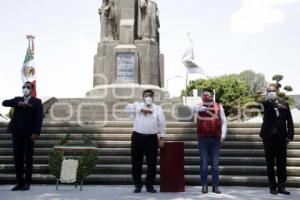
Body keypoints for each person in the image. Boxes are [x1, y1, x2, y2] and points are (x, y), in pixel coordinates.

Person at [2, 82, 43, 191]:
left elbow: (39, 119)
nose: (25, 89)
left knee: (28, 159)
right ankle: (19, 183)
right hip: (16, 133)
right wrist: (19, 104)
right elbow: (4, 102)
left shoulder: (37, 102)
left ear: (32, 89)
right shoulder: (17, 99)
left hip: (29, 135)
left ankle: (27, 183)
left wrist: (36, 133)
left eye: (27, 87)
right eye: (23, 87)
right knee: (17, 159)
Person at [125, 89, 166, 193]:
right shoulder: (137, 105)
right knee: (136, 162)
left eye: (149, 95)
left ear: (153, 97)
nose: (147, 97)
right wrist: (141, 109)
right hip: (137, 136)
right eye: (145, 95)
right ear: (142, 97)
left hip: (151, 138)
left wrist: (162, 137)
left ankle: (150, 185)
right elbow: (127, 108)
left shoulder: (158, 108)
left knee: (152, 163)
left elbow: (162, 123)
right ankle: (138, 185)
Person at [258, 84, 294, 195]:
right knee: (270, 164)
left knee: (282, 164)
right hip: (268, 138)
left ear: (277, 91)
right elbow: (265, 108)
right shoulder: (263, 104)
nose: (271, 92)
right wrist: (275, 104)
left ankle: (281, 186)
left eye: (273, 90)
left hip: (281, 138)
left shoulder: (285, 104)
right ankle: (272, 186)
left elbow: (290, 121)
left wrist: (290, 135)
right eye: (269, 91)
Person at [189, 88, 227, 194]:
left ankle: (215, 186)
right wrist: (202, 109)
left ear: (211, 96)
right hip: (203, 138)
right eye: (203, 94)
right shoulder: (198, 106)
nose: (205, 96)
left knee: (215, 164)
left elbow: (224, 122)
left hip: (215, 139)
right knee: (204, 163)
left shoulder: (219, 106)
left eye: (207, 94)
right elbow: (189, 109)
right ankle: (204, 186)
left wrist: (223, 135)